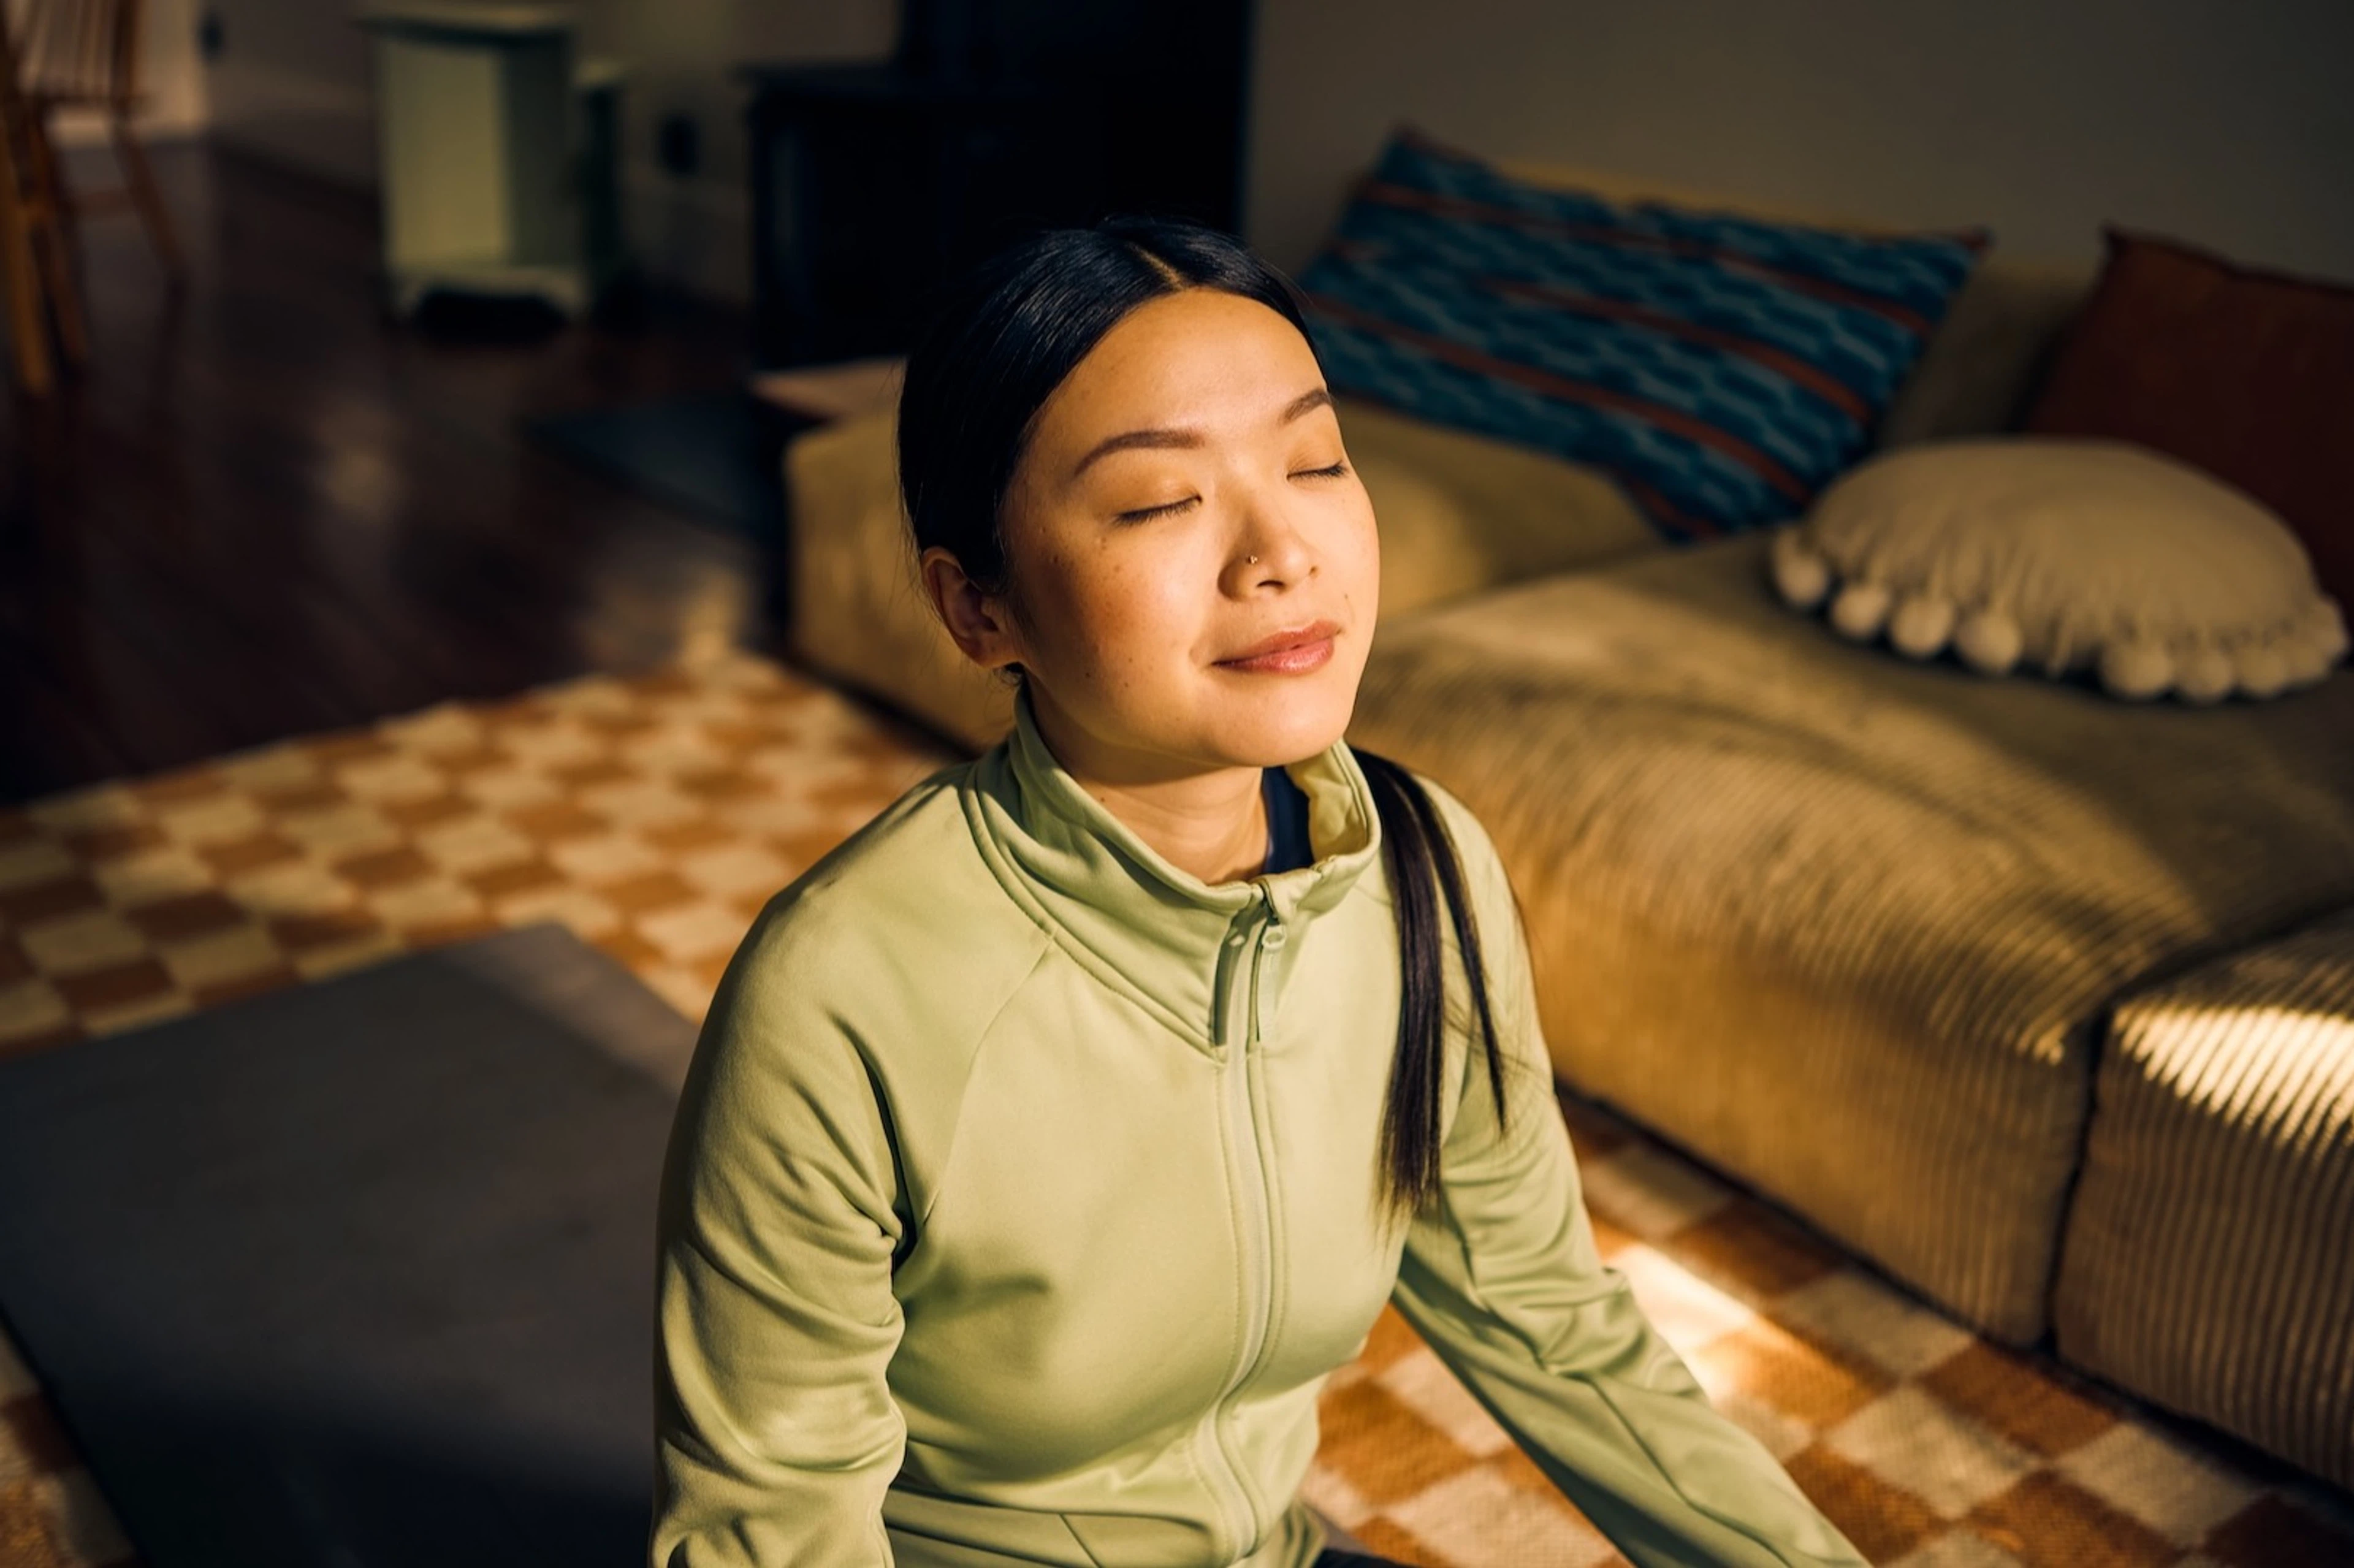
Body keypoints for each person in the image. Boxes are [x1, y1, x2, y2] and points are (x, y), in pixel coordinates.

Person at [650, 216, 1871, 1568]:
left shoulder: (1425, 872)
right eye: (1159, 501)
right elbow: (774, 1526)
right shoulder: (841, 993)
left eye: (1316, 460)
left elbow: (1547, 1316)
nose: (1280, 552)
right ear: (976, 608)